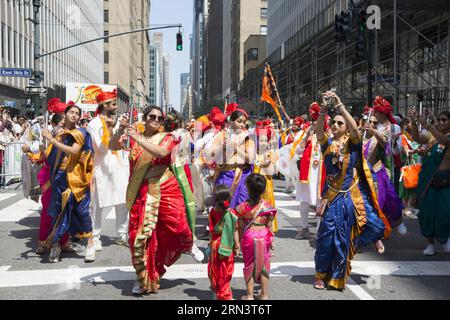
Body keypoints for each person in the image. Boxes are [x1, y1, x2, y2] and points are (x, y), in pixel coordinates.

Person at [110, 105, 193, 295]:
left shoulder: (166, 138)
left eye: (159, 117)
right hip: (141, 191)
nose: (155, 120)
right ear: (144, 118)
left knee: (176, 227)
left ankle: (188, 245)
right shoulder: (133, 135)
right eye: (151, 116)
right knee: (139, 237)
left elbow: (162, 153)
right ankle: (143, 279)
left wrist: (138, 137)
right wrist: (120, 130)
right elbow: (112, 146)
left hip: (164, 187)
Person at [313, 92, 391, 291]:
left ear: (346, 127)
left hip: (349, 196)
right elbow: (319, 132)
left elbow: (356, 129)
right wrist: (323, 110)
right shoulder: (327, 145)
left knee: (344, 237)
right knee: (325, 235)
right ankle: (321, 274)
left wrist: (340, 105)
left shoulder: (353, 144)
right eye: (334, 123)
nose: (336, 126)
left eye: (340, 123)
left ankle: (337, 276)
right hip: (331, 197)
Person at [42, 102, 95, 263]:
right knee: (58, 211)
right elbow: (49, 156)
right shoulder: (60, 133)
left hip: (77, 179)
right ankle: (56, 245)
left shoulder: (81, 132)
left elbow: (74, 151)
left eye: (77, 113)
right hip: (59, 178)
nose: (74, 115)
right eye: (71, 112)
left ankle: (91, 243)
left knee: (81, 211)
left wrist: (51, 139)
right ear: (64, 115)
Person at [86, 89, 129, 253]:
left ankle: (121, 234)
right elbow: (101, 149)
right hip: (101, 168)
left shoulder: (117, 121)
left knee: (122, 202)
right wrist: (112, 131)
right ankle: (95, 237)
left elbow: (120, 145)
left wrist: (122, 133)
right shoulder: (94, 124)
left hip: (119, 167)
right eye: (113, 104)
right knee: (99, 204)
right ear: (104, 105)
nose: (116, 106)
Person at [411, 109, 450, 255]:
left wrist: (428, 125)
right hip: (429, 182)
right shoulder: (431, 137)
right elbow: (416, 139)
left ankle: (445, 238)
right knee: (427, 214)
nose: (440, 122)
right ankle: (430, 244)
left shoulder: (444, 137)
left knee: (445, 213)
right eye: (438, 120)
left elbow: (445, 141)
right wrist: (414, 123)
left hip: (447, 182)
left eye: (444, 120)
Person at [35, 112, 72, 255]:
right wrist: (41, 147)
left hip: (65, 176)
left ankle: (64, 242)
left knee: (64, 209)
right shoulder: (46, 136)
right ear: (54, 124)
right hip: (49, 178)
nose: (62, 126)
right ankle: (43, 242)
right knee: (48, 211)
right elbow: (39, 153)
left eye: (64, 123)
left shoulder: (70, 136)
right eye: (60, 123)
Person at [363, 114, 406, 235]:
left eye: (375, 123)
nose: (371, 124)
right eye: (369, 122)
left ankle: (396, 222)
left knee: (385, 201)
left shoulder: (379, 137)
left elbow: (384, 141)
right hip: (362, 176)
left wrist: (374, 131)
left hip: (377, 174)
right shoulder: (359, 137)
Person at [236, 173, 276, 300]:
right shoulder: (268, 207)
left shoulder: (242, 207)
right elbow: (270, 225)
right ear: (263, 189)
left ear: (247, 188)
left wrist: (240, 242)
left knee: (249, 265)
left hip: (248, 237)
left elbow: (241, 227)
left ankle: (249, 295)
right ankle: (264, 294)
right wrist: (272, 240)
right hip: (264, 236)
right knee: (264, 265)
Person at [210, 107, 255, 209]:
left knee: (241, 207)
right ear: (231, 122)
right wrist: (222, 147)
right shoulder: (222, 135)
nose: (242, 125)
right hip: (224, 175)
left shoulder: (247, 137)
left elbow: (250, 159)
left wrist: (235, 148)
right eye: (239, 121)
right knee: (222, 207)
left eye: (243, 122)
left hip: (242, 176)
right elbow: (212, 154)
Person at [294, 103, 327, 239]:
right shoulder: (307, 135)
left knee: (320, 201)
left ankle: (320, 231)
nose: (315, 123)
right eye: (313, 120)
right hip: (307, 173)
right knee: (304, 200)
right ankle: (304, 227)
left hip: (321, 173)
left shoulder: (328, 135)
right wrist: (307, 134)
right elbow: (298, 150)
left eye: (317, 120)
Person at [208, 184, 239, 300]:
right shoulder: (231, 213)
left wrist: (211, 243)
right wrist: (237, 245)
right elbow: (234, 231)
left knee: (216, 268)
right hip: (225, 245)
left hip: (215, 244)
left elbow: (211, 230)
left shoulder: (212, 212)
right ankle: (225, 295)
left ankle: (216, 290)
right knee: (225, 271)